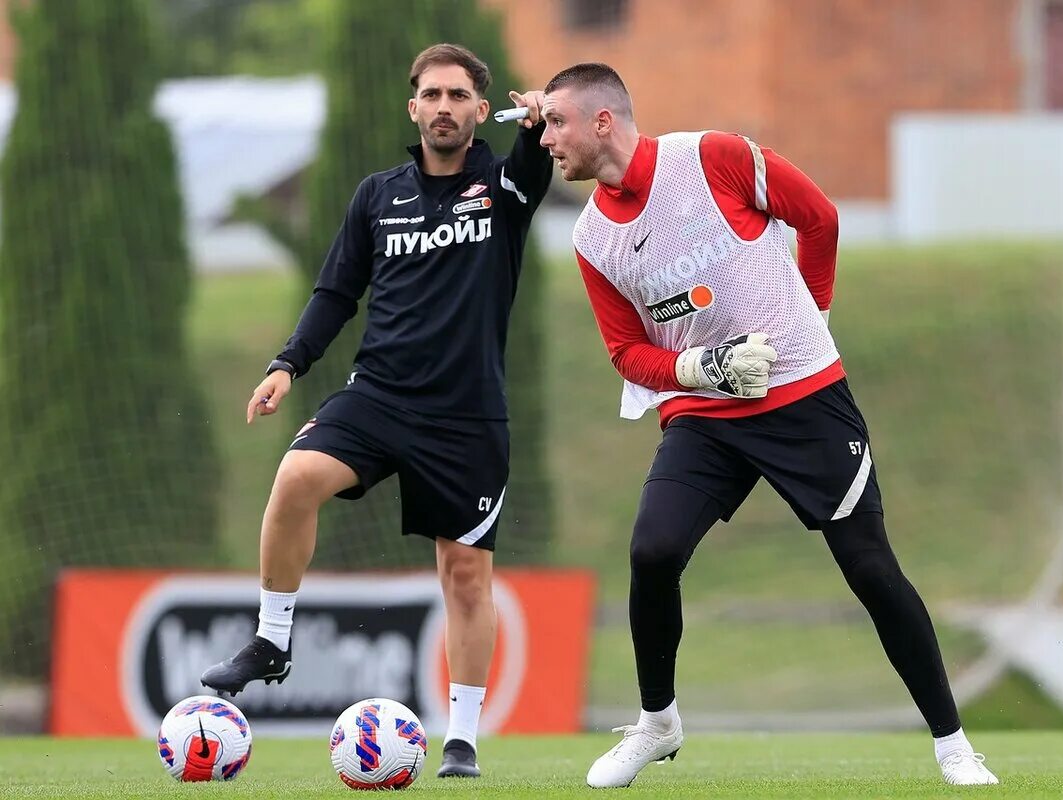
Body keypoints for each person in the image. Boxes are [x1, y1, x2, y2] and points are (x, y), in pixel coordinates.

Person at [538, 62, 1000, 789]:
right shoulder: (591, 236)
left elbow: (819, 218)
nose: (546, 139)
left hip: (803, 397)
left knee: (871, 568)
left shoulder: (713, 157)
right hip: (707, 412)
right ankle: (657, 724)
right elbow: (628, 353)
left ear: (602, 121)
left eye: (555, 123)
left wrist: (810, 318)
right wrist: (697, 372)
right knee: (653, 551)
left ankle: (953, 746)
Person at [199, 43, 552, 780]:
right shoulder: (376, 195)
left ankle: (460, 739)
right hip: (379, 395)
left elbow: (538, 163)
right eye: (433, 95)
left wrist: (540, 124)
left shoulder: (504, 186)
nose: (446, 107)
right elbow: (336, 293)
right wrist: (285, 365)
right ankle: (272, 640)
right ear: (414, 107)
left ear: (482, 110)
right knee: (295, 478)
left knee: (464, 575)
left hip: (467, 416)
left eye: (460, 96)